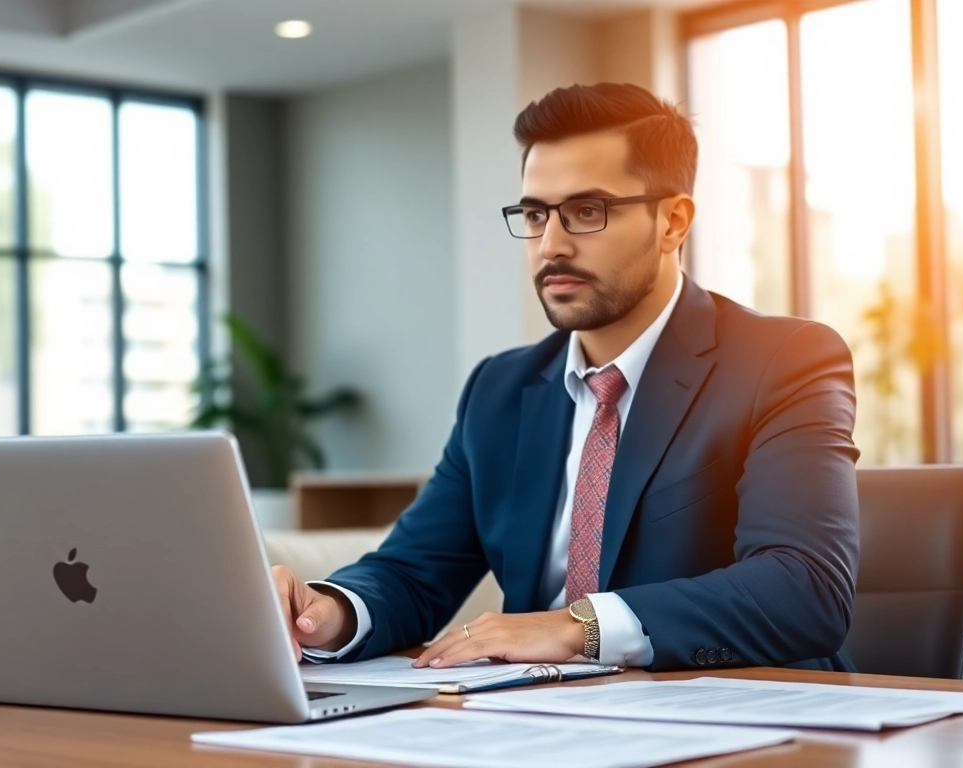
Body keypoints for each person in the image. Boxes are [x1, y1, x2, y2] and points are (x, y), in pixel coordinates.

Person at [272, 82, 860, 672]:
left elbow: (804, 589)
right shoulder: (499, 390)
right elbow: (414, 571)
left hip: (745, 725)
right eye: (534, 214)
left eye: (586, 211)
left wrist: (578, 627)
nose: (551, 245)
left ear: (673, 222)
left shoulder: (784, 360)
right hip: (536, 724)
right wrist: (325, 612)